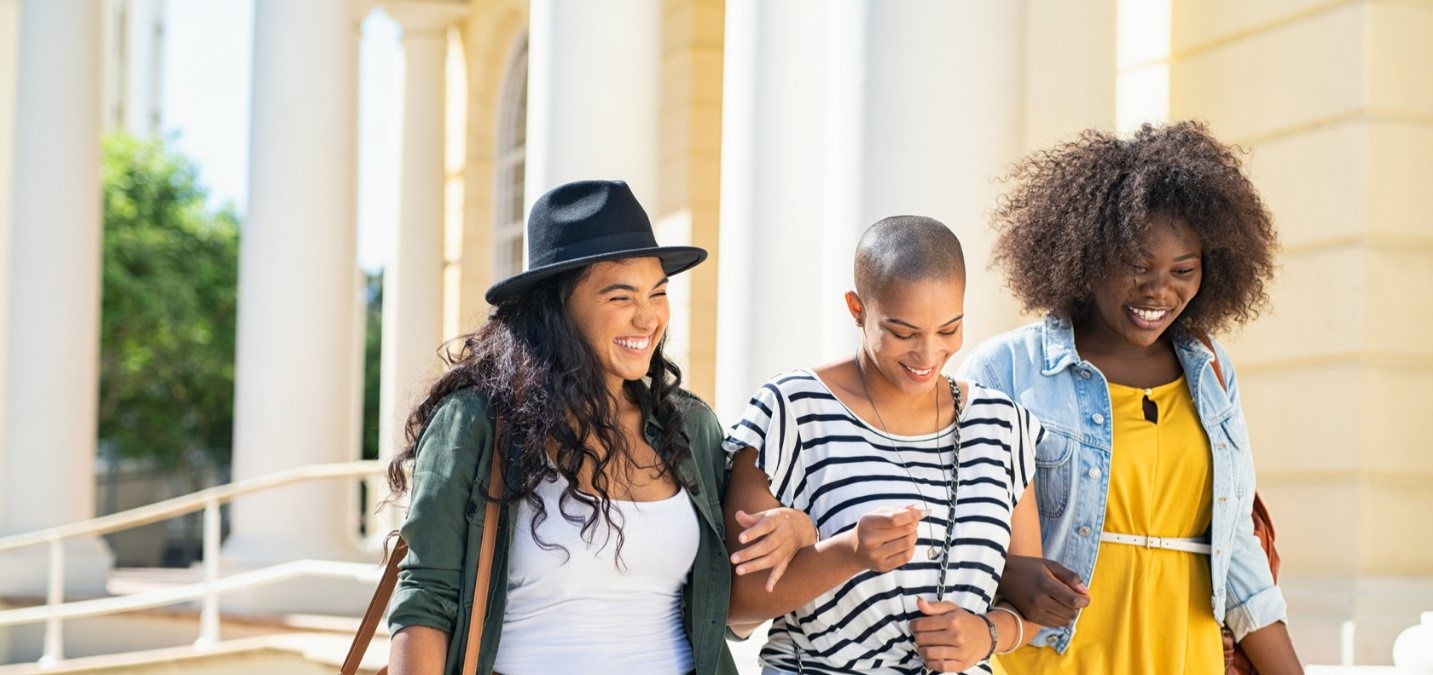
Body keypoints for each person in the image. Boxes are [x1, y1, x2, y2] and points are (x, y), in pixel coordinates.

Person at [383, 179, 817, 675]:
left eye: (658, 293)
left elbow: (733, 610)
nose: (648, 318)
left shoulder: (689, 427)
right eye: (620, 297)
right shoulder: (477, 423)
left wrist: (800, 533)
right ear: (557, 306)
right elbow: (426, 600)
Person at [957, 121, 1304, 674]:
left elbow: (1237, 545)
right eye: (1137, 266)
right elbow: (952, 525)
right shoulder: (1006, 368)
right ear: (1086, 255)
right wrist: (1009, 573)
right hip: (1052, 657)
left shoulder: (1210, 370)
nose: (1159, 290)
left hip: (1185, 654)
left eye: (1182, 270)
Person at [723, 216, 1046, 675]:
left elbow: (1028, 598)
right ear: (857, 309)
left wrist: (987, 634)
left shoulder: (1002, 426)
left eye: (949, 329)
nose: (928, 354)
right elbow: (734, 607)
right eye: (903, 333)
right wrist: (848, 551)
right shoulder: (792, 411)